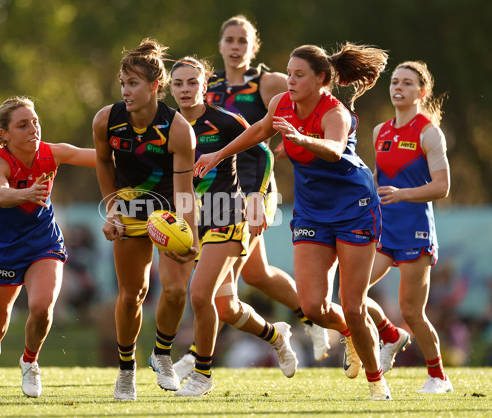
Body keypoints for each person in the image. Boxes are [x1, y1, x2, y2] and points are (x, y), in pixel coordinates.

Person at [195, 43, 392, 400]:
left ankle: (377, 381)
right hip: (312, 212)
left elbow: (333, 150)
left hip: (354, 208)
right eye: (289, 73)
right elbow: (258, 133)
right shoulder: (281, 103)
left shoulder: (335, 113)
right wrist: (218, 153)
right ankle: (356, 332)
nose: (291, 80)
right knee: (314, 307)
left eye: (299, 75)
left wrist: (301, 138)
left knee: (352, 303)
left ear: (321, 80)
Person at [174, 16, 329, 380]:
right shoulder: (202, 86)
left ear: (253, 46)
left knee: (218, 281)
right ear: (220, 45)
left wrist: (299, 142)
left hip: (257, 186)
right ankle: (297, 323)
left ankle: (200, 355)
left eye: (243, 40)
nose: (235, 46)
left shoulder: (269, 81)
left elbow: (306, 107)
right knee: (254, 276)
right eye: (229, 39)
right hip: (219, 187)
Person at [168, 57, 298, 396]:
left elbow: (264, 155)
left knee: (199, 294)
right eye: (178, 83)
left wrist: (256, 197)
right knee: (226, 308)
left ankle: (202, 376)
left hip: (230, 213)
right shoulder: (170, 128)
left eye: (192, 82)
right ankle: (277, 335)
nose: (185, 89)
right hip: (198, 220)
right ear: (169, 88)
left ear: (205, 85)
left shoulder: (225, 121)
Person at [0, 96, 97, 400]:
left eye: (35, 121)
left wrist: (141, 157)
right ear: (5, 134)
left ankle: (30, 362)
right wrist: (27, 193)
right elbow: (0, 195)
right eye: (23, 125)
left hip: (43, 244)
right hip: (4, 251)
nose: (33, 128)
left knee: (42, 307)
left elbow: (99, 157)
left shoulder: (51, 153)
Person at [92, 39, 199, 401]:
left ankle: (162, 354)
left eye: (133, 84)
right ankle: (126, 372)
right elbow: (104, 163)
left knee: (173, 289)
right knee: (132, 294)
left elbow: (185, 192)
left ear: (155, 86)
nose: (125, 91)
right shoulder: (106, 120)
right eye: (122, 83)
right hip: (129, 210)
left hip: (167, 211)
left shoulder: (179, 129)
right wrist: (111, 209)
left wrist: (191, 238)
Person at [367, 61, 452, 393]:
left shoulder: (429, 132)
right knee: (352, 291)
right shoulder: (379, 131)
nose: (397, 87)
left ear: (422, 91)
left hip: (416, 232)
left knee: (412, 312)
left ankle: (438, 377)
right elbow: (378, 181)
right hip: (384, 232)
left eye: (406, 83)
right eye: (394, 82)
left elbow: (442, 187)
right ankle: (390, 334)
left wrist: (404, 194)